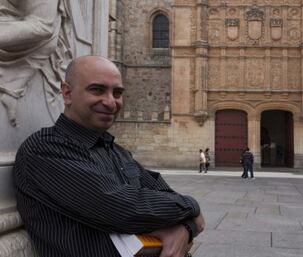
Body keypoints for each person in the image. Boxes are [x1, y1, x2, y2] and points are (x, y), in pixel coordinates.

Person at [13, 56, 205, 257]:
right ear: (67, 93)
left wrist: (185, 227)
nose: (110, 102)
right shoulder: (45, 149)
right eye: (97, 90)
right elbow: (123, 208)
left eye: (118, 92)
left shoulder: (117, 152)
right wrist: (192, 206)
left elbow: (165, 194)